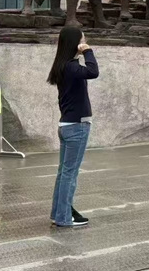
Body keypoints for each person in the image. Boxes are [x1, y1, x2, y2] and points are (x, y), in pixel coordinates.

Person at [47, 26, 99, 227]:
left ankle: (59, 213)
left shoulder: (65, 66)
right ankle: (63, 217)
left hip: (67, 125)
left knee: (64, 173)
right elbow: (93, 72)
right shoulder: (71, 67)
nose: (85, 42)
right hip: (77, 126)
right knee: (69, 174)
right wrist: (88, 51)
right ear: (75, 43)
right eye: (82, 39)